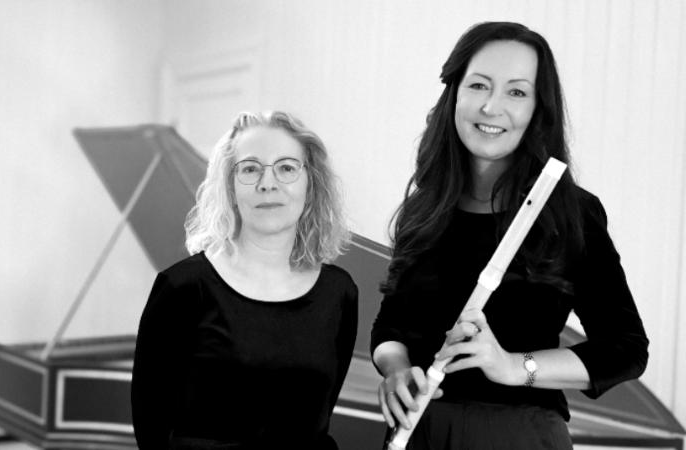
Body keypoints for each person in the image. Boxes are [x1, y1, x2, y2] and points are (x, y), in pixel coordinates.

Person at [370, 22, 648, 450]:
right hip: (419, 431)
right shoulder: (425, 208)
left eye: (516, 92)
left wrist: (516, 367)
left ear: (538, 109)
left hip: (519, 434)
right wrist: (396, 368)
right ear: (455, 94)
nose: (491, 107)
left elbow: (625, 349)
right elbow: (391, 325)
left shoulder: (570, 212)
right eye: (480, 85)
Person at [131, 111, 358, 450]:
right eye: (250, 168)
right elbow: (151, 429)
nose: (268, 183)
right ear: (230, 186)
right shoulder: (182, 288)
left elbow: (320, 414)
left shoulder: (339, 292)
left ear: (310, 185)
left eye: (286, 167)